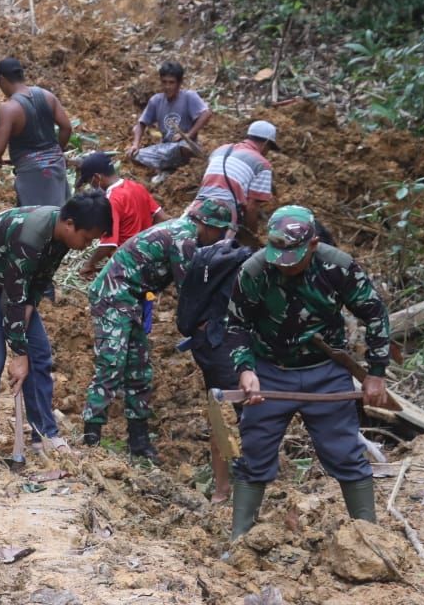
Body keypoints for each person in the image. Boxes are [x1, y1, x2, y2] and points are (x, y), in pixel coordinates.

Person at [225, 205, 391, 539]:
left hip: (326, 372)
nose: (285, 267)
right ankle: (239, 539)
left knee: (345, 452)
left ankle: (370, 537)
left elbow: (374, 313)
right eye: (278, 257)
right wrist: (245, 370)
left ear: (313, 244)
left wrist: (375, 372)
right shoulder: (254, 271)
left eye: (294, 259)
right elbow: (236, 323)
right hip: (269, 371)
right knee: (254, 455)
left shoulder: (338, 267)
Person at [0, 191, 113, 458]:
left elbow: (34, 286)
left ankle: (44, 436)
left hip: (12, 284)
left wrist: (25, 346)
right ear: (69, 223)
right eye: (86, 238)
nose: (86, 246)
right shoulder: (30, 236)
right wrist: (18, 353)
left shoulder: (62, 237)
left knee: (39, 356)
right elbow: (13, 299)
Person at [82, 199, 233, 463]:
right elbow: (190, 290)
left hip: (133, 299)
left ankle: (138, 442)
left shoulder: (184, 233)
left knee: (139, 369)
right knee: (112, 365)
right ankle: (91, 439)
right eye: (219, 232)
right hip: (114, 295)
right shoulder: (183, 238)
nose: (218, 238)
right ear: (207, 226)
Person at [175, 238, 253, 502]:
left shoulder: (238, 266)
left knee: (222, 411)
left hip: (210, 342)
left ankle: (225, 489)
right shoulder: (255, 270)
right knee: (231, 415)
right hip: (222, 343)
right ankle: (230, 491)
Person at [0, 57, 73, 207]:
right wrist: (55, 152)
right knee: (59, 213)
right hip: (57, 166)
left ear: (2, 79)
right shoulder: (47, 96)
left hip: (32, 174)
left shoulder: (10, 108)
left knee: (35, 218)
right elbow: (66, 128)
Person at [74, 151, 164, 277]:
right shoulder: (136, 186)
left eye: (90, 182)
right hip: (150, 255)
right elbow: (161, 217)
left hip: (129, 260)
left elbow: (109, 243)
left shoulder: (111, 200)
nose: (92, 186)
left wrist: (89, 264)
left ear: (97, 178)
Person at [188, 120, 277, 243]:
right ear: (266, 143)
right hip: (223, 212)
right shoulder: (262, 164)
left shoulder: (220, 149)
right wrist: (252, 239)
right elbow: (251, 208)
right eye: (269, 148)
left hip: (197, 205)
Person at [127, 61, 211, 183]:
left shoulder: (189, 97)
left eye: (171, 82)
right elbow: (141, 123)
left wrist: (189, 134)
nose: (167, 86)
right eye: (164, 82)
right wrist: (135, 144)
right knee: (134, 155)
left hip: (184, 147)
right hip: (166, 148)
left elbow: (206, 113)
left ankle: (175, 169)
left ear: (179, 83)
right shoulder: (156, 100)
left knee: (184, 147)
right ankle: (167, 170)